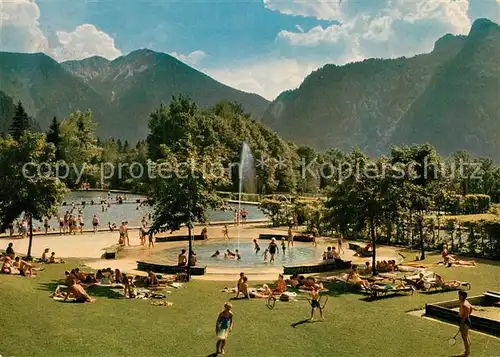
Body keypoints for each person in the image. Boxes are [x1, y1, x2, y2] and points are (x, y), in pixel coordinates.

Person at [459, 290, 473, 356]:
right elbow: (471, 308)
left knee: (464, 337)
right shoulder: (466, 302)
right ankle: (467, 351)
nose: (458, 297)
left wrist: (461, 325)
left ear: (462, 296)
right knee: (466, 336)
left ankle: (466, 353)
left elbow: (464, 316)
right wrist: (468, 314)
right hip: (466, 320)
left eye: (459, 295)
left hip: (464, 321)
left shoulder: (464, 304)